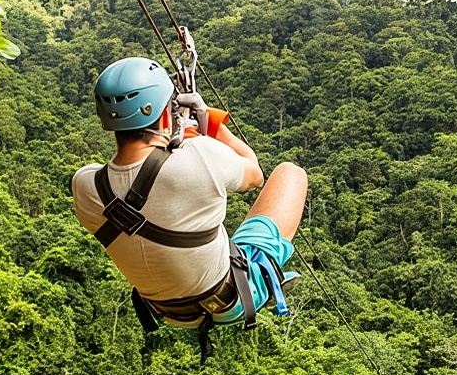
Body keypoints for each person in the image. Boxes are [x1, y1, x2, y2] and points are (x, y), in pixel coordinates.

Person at [71, 56, 307, 357]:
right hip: (232, 298)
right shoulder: (200, 156)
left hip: (169, 312)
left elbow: (146, 182)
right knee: (291, 173)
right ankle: (264, 275)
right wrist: (210, 124)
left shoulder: (86, 186)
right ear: (165, 116)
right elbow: (254, 174)